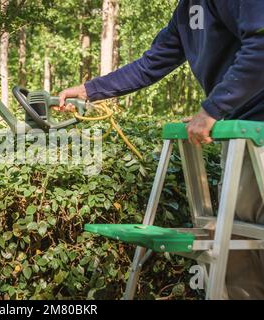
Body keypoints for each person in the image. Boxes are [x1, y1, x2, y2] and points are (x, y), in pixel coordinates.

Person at [57, 0, 264, 299]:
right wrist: (90, 90)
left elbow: (261, 42)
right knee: (236, 236)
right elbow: (151, 63)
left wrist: (212, 109)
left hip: (256, 128)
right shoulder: (187, 10)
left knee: (246, 234)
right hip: (238, 127)